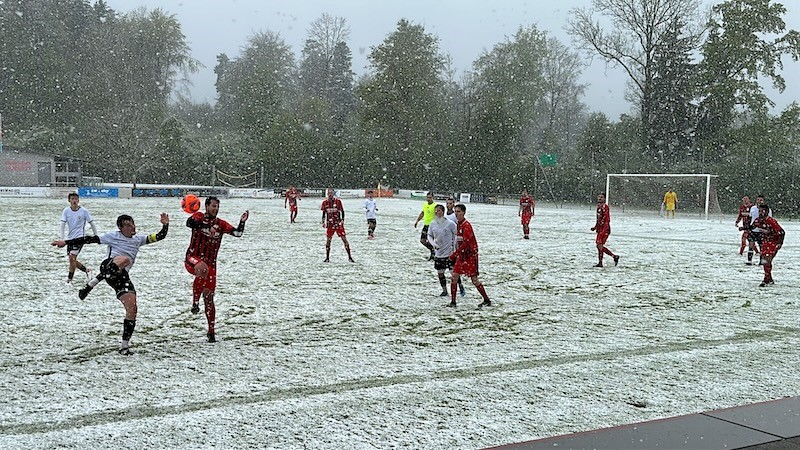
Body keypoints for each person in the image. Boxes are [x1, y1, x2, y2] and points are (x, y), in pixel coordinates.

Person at [51, 213, 170, 355]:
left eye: (132, 223)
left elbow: (159, 236)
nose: (132, 226)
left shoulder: (139, 239)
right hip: (108, 266)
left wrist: (165, 225)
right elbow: (89, 239)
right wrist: (66, 242)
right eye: (127, 225)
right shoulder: (113, 236)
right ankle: (92, 284)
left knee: (132, 308)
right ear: (120, 228)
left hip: (120, 276)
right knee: (125, 259)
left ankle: (124, 347)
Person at [185, 196, 249, 343]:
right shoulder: (199, 216)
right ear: (206, 206)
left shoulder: (220, 224)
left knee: (209, 298)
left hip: (211, 265)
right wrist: (203, 226)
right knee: (202, 268)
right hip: (193, 258)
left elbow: (237, 233)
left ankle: (211, 331)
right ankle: (195, 303)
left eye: (217, 206)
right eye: (213, 206)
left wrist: (242, 222)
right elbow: (189, 222)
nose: (216, 209)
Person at [448, 204, 492, 308]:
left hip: (469, 256)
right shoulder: (458, 225)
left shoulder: (466, 226)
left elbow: (466, 243)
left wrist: (455, 254)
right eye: (455, 212)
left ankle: (486, 300)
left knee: (474, 280)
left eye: (458, 211)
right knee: (454, 277)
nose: (456, 214)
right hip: (462, 256)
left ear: (464, 212)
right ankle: (453, 302)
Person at [427, 204, 465, 297]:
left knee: (453, 273)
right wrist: (433, 244)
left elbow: (457, 234)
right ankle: (444, 291)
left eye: (439, 210)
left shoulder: (450, 224)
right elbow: (429, 235)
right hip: (439, 253)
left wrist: (456, 247)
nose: (436, 212)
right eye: (435, 211)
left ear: (443, 212)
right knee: (440, 273)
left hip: (449, 253)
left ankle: (460, 286)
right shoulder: (432, 224)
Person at [60, 192, 98, 284]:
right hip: (70, 239)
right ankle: (87, 271)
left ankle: (69, 280)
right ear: (69, 200)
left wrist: (96, 235)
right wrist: (62, 238)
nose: (74, 201)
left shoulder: (84, 211)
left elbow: (92, 222)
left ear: (78, 200)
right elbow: (62, 224)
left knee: (72, 258)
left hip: (80, 238)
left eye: (76, 199)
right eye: (72, 199)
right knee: (72, 260)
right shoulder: (66, 211)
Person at [747, 204, 784, 287]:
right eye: (759, 211)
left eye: (762, 211)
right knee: (765, 261)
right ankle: (769, 278)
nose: (760, 213)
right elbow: (751, 227)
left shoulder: (771, 221)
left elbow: (781, 232)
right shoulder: (758, 220)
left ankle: (766, 279)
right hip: (765, 242)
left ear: (767, 212)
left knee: (767, 259)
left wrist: (779, 243)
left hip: (773, 242)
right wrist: (745, 228)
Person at [322, 188, 354, 262]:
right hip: (330, 224)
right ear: (327, 194)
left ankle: (350, 257)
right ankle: (327, 257)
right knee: (328, 241)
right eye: (329, 193)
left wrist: (342, 220)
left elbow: (342, 211)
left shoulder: (338, 202)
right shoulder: (325, 202)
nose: (330, 194)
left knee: (344, 239)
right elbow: (324, 213)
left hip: (338, 223)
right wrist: (323, 222)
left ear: (333, 194)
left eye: (331, 193)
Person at [592, 193, 619, 267]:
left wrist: (604, 229)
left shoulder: (605, 207)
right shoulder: (598, 207)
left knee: (599, 245)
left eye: (601, 197)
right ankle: (601, 262)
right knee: (599, 246)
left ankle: (613, 256)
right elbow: (598, 219)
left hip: (605, 229)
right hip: (600, 229)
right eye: (599, 197)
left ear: (604, 199)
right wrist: (595, 226)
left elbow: (607, 219)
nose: (600, 198)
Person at [746, 194, 772, 265]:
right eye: (758, 200)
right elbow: (750, 218)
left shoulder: (768, 210)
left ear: (763, 201)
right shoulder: (753, 208)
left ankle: (761, 261)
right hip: (753, 230)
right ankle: (749, 261)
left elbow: (769, 220)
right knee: (751, 245)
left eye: (761, 200)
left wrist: (767, 229)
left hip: (762, 231)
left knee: (762, 247)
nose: (759, 201)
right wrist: (748, 227)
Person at [414, 192, 437, 260]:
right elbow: (422, 213)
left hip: (432, 226)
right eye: (427, 197)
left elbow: (438, 215)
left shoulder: (435, 206)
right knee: (422, 240)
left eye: (430, 197)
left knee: (430, 240)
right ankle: (432, 250)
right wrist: (417, 221)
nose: (428, 199)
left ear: (433, 198)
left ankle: (433, 255)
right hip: (426, 225)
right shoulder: (425, 205)